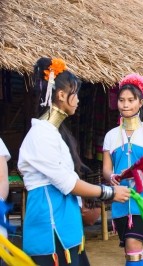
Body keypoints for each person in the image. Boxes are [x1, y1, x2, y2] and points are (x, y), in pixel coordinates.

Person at [18, 57, 131, 266]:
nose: (78, 99)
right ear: (61, 95)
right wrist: (110, 193)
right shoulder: (41, 136)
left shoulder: (51, 133)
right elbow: (68, 184)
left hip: (65, 229)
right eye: (75, 93)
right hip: (51, 233)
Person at [103, 73, 143, 266]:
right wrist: (112, 176)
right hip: (120, 201)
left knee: (132, 244)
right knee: (131, 250)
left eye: (131, 100)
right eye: (121, 100)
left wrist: (134, 175)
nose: (125, 105)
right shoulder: (110, 136)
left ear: (140, 102)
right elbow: (106, 169)